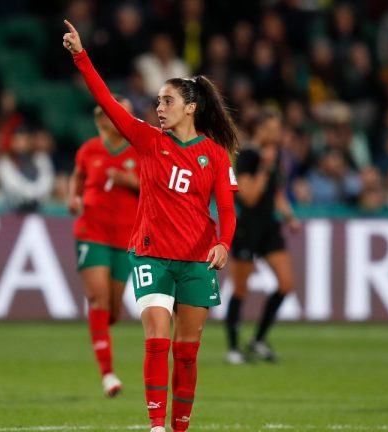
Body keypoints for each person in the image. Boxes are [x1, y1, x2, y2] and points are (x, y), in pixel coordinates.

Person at [63, 20, 239, 432]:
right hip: (151, 254)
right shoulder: (147, 140)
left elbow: (227, 210)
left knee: (188, 352)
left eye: (167, 100)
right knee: (157, 338)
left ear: (191, 107)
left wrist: (224, 244)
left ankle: (179, 427)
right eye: (158, 100)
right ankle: (157, 427)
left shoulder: (214, 155)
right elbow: (107, 101)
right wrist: (80, 56)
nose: (158, 107)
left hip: (197, 259)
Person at [68, 99, 140, 397]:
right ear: (104, 119)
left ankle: (102, 330)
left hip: (125, 237)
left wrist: (129, 181)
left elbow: (156, 187)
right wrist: (73, 197)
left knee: (111, 310)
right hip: (91, 231)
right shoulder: (89, 150)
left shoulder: (139, 149)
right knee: (97, 300)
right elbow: (78, 177)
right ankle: (108, 374)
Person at [224, 110, 300, 364]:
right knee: (241, 289)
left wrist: (289, 216)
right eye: (274, 128)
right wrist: (265, 168)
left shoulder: (274, 156)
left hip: (269, 227)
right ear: (261, 129)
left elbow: (275, 192)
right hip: (247, 227)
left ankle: (258, 339)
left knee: (286, 283)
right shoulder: (247, 156)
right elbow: (248, 196)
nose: (278, 133)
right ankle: (233, 348)